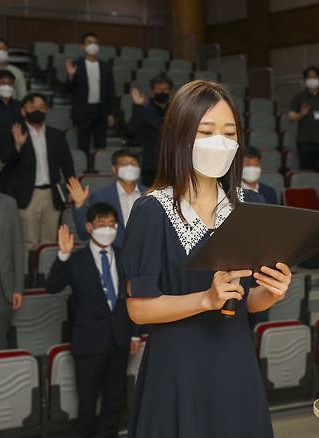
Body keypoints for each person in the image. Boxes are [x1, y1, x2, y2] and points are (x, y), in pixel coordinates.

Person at [122, 80, 293, 438]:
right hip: (176, 370)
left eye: (229, 133)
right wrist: (205, 300)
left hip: (235, 362)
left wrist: (272, 292)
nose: (221, 141)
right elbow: (139, 308)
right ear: (180, 135)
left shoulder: (252, 206)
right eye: (206, 130)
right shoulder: (152, 211)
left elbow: (249, 300)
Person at [46, 203, 141, 438]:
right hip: (88, 343)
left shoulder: (124, 255)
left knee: (115, 400)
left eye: (112, 224)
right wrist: (63, 255)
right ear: (89, 227)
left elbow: (134, 295)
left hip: (119, 341)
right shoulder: (76, 259)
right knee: (87, 403)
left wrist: (136, 332)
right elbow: (52, 286)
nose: (107, 229)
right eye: (101, 224)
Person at [1, 93, 75, 257]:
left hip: (52, 195)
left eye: (41, 107)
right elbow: (6, 164)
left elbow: (68, 166)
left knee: (49, 242)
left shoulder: (56, 135)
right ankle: (28, 280)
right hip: (26, 195)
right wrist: (17, 146)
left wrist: (72, 190)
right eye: (32, 107)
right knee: (27, 242)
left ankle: (45, 278)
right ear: (23, 111)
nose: (38, 110)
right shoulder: (14, 132)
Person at [67, 149, 147, 248]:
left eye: (134, 163)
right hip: (113, 256)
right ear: (114, 169)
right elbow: (84, 234)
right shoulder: (100, 197)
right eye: (124, 163)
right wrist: (79, 204)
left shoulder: (152, 196)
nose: (130, 167)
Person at [66, 32, 117, 155]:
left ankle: (99, 168)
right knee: (83, 144)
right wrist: (70, 76)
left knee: (101, 145)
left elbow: (111, 91)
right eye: (89, 42)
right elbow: (69, 91)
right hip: (83, 110)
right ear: (82, 46)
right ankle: (85, 169)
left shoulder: (105, 67)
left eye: (95, 43)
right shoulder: (76, 65)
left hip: (101, 110)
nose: (93, 45)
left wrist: (111, 113)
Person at [287, 66, 319, 171]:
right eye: (309, 77)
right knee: (306, 171)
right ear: (305, 80)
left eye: (314, 76)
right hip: (304, 142)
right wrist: (301, 114)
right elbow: (290, 116)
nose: (312, 79)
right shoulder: (299, 97)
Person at [127, 75, 171, 186]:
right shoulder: (144, 110)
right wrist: (137, 106)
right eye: (158, 89)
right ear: (152, 91)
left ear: (170, 90)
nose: (162, 92)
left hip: (171, 164)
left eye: (165, 89)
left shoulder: (175, 109)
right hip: (150, 164)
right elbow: (131, 130)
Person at [0, 192, 24, 349]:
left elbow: (17, 247)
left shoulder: (9, 203)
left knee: (0, 341)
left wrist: (18, 288)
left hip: (2, 285)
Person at [0, 69, 20, 148]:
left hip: (14, 150)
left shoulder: (20, 106)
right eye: (3, 83)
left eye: (10, 83)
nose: (6, 86)